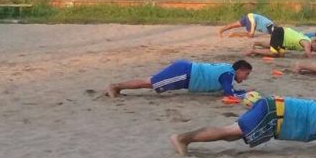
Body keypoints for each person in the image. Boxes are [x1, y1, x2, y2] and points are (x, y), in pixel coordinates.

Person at [168, 98, 316, 156]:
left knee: (231, 135)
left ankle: (185, 138)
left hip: (272, 108)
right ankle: (183, 138)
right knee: (230, 132)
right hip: (272, 112)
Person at [106, 60, 253, 98]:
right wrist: (246, 94)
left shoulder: (228, 70)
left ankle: (118, 87)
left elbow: (228, 90)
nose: (245, 78)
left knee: (150, 81)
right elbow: (229, 94)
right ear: (240, 70)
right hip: (184, 73)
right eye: (246, 74)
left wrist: (242, 91)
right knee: (150, 83)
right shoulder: (228, 74)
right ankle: (116, 86)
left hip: (185, 72)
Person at [247, 26, 316, 58]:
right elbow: (308, 56)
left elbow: (304, 55)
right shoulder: (307, 43)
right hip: (281, 33)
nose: (315, 51)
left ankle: (256, 43)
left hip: (283, 37)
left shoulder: (307, 41)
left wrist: (315, 54)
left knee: (281, 54)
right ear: (315, 44)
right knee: (275, 54)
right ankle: (254, 50)